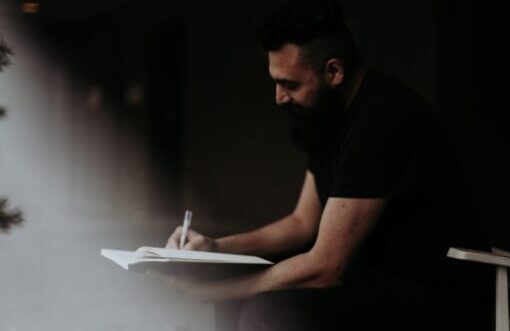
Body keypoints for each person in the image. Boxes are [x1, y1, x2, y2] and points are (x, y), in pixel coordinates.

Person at [158, 1, 492, 330]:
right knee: (247, 281)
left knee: (271, 310)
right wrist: (215, 248)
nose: (278, 97)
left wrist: (217, 292)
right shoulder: (328, 118)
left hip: (440, 297)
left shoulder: (381, 120)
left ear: (334, 71)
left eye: (289, 84)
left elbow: (327, 267)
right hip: (377, 277)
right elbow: (302, 223)